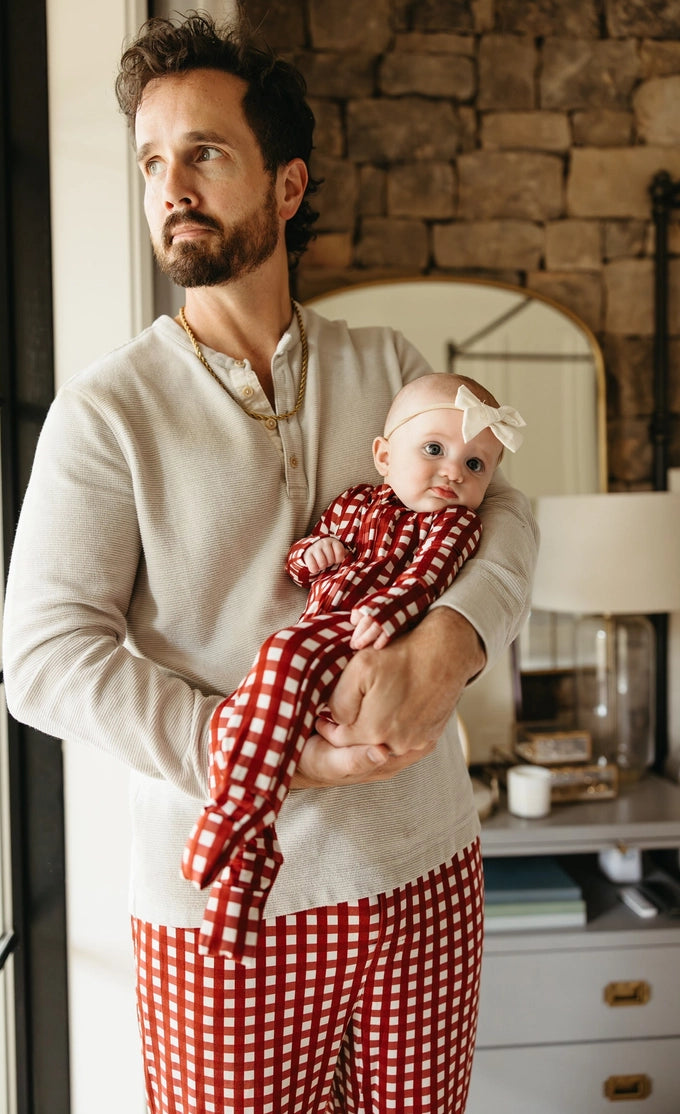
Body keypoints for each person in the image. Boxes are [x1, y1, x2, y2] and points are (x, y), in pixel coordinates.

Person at [2, 12, 538, 1114]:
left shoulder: (384, 362)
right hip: (221, 912)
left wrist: (454, 637)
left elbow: (507, 505)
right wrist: (248, 750)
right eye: (154, 160)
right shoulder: (106, 413)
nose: (172, 185)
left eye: (204, 152)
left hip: (422, 873)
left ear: (286, 186)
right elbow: (45, 658)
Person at [183, 373, 526, 965]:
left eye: (476, 465)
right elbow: (306, 557)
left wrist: (389, 614)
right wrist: (312, 556)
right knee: (249, 708)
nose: (453, 473)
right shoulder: (354, 504)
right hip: (323, 622)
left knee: (282, 655)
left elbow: (428, 580)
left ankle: (236, 816)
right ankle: (250, 855)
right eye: (435, 451)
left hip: (355, 637)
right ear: (384, 456)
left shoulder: (451, 524)